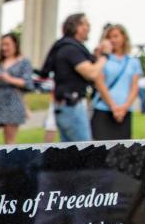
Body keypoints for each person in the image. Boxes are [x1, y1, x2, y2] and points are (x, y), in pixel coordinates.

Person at [39, 13, 110, 143]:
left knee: (69, 152)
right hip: (72, 106)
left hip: (65, 105)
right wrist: (105, 55)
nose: (89, 27)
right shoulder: (70, 49)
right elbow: (91, 73)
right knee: (84, 151)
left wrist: (97, 56)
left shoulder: (64, 46)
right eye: (86, 24)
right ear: (77, 27)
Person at [91, 24, 141, 141]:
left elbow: (134, 87)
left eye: (116, 36)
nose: (112, 40)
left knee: (122, 152)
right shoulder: (102, 59)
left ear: (124, 37)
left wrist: (124, 107)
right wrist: (113, 107)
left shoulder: (133, 62)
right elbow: (100, 83)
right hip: (104, 109)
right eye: (109, 37)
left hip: (124, 112)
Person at [0, 34, 34, 145]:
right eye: (2, 45)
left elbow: (28, 83)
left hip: (13, 103)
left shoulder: (24, 62)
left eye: (7, 44)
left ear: (15, 44)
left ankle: (9, 162)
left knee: (9, 143)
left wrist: (8, 79)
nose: (4, 48)